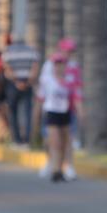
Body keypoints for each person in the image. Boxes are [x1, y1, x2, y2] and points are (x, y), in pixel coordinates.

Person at [38, 39, 80, 182]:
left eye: (71, 51)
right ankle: (52, 164)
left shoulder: (73, 67)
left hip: (68, 109)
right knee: (52, 140)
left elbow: (77, 88)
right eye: (67, 50)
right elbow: (43, 89)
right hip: (51, 110)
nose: (69, 54)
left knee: (67, 139)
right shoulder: (49, 65)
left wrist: (78, 108)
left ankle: (67, 167)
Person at [1, 35, 41, 146]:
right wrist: (27, 82)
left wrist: (17, 82)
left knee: (13, 112)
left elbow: (7, 67)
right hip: (27, 83)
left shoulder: (8, 51)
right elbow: (35, 67)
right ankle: (27, 140)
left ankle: (16, 140)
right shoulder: (32, 51)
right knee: (27, 112)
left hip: (13, 84)